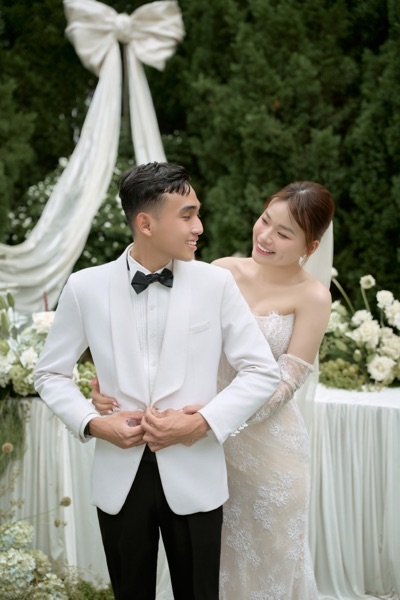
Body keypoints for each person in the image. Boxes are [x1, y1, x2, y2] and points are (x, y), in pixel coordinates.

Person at [33, 161, 280, 600]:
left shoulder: (216, 284)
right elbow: (50, 373)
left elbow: (262, 371)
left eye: (197, 213)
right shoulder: (85, 287)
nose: (198, 226)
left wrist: (201, 422)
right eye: (187, 215)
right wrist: (93, 423)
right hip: (120, 476)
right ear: (145, 224)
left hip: (195, 468)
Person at [92, 179, 334, 599]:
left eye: (283, 233)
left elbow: (285, 383)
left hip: (265, 452)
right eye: (265, 221)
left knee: (266, 566)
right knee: (204, 572)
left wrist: (211, 420)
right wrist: (110, 389)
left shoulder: (313, 296)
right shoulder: (220, 271)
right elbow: (161, 338)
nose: (265, 237)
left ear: (310, 247)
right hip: (192, 447)